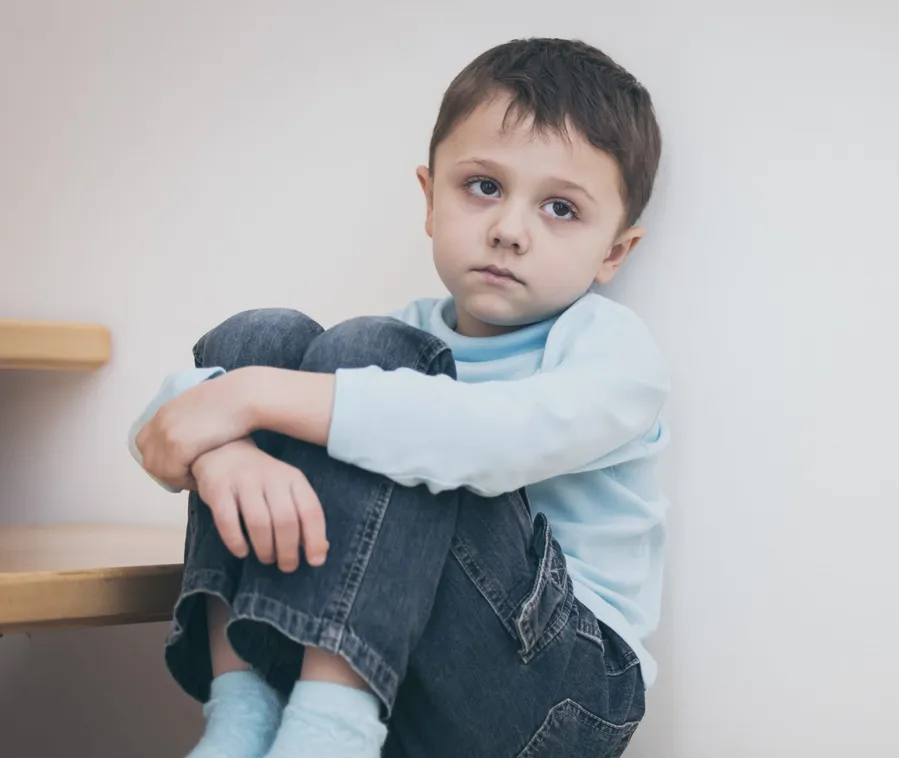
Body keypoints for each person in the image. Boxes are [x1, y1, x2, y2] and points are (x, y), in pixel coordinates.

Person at [128, 37, 669, 758]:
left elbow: (487, 438)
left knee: (367, 367)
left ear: (613, 253)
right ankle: (244, 716)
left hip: (558, 692)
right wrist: (224, 450)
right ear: (429, 198)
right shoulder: (404, 337)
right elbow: (161, 432)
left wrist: (249, 400)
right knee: (266, 335)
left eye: (560, 209)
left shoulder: (611, 350)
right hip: (406, 667)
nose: (509, 230)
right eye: (483, 187)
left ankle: (329, 735)